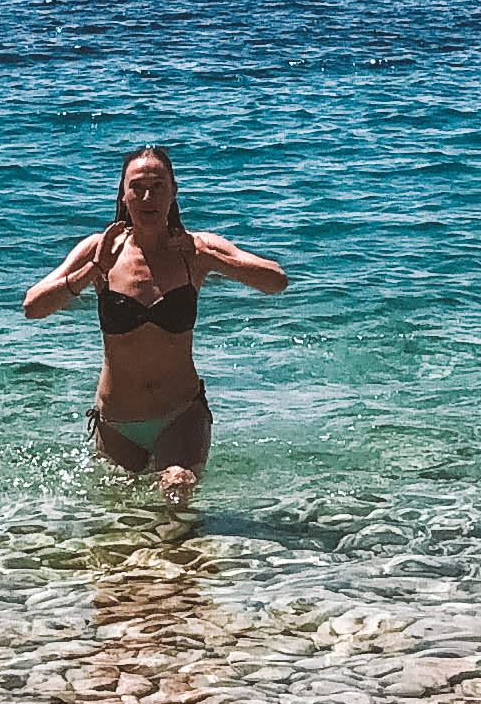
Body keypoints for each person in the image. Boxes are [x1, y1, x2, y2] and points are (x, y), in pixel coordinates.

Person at [23, 143, 288, 506]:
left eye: (159, 186)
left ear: (174, 192)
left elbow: (276, 280)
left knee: (177, 498)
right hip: (117, 423)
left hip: (182, 415)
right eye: (137, 187)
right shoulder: (101, 250)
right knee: (121, 527)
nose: (148, 196)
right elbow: (33, 307)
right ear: (123, 194)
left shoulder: (196, 250)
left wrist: (209, 258)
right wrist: (93, 272)